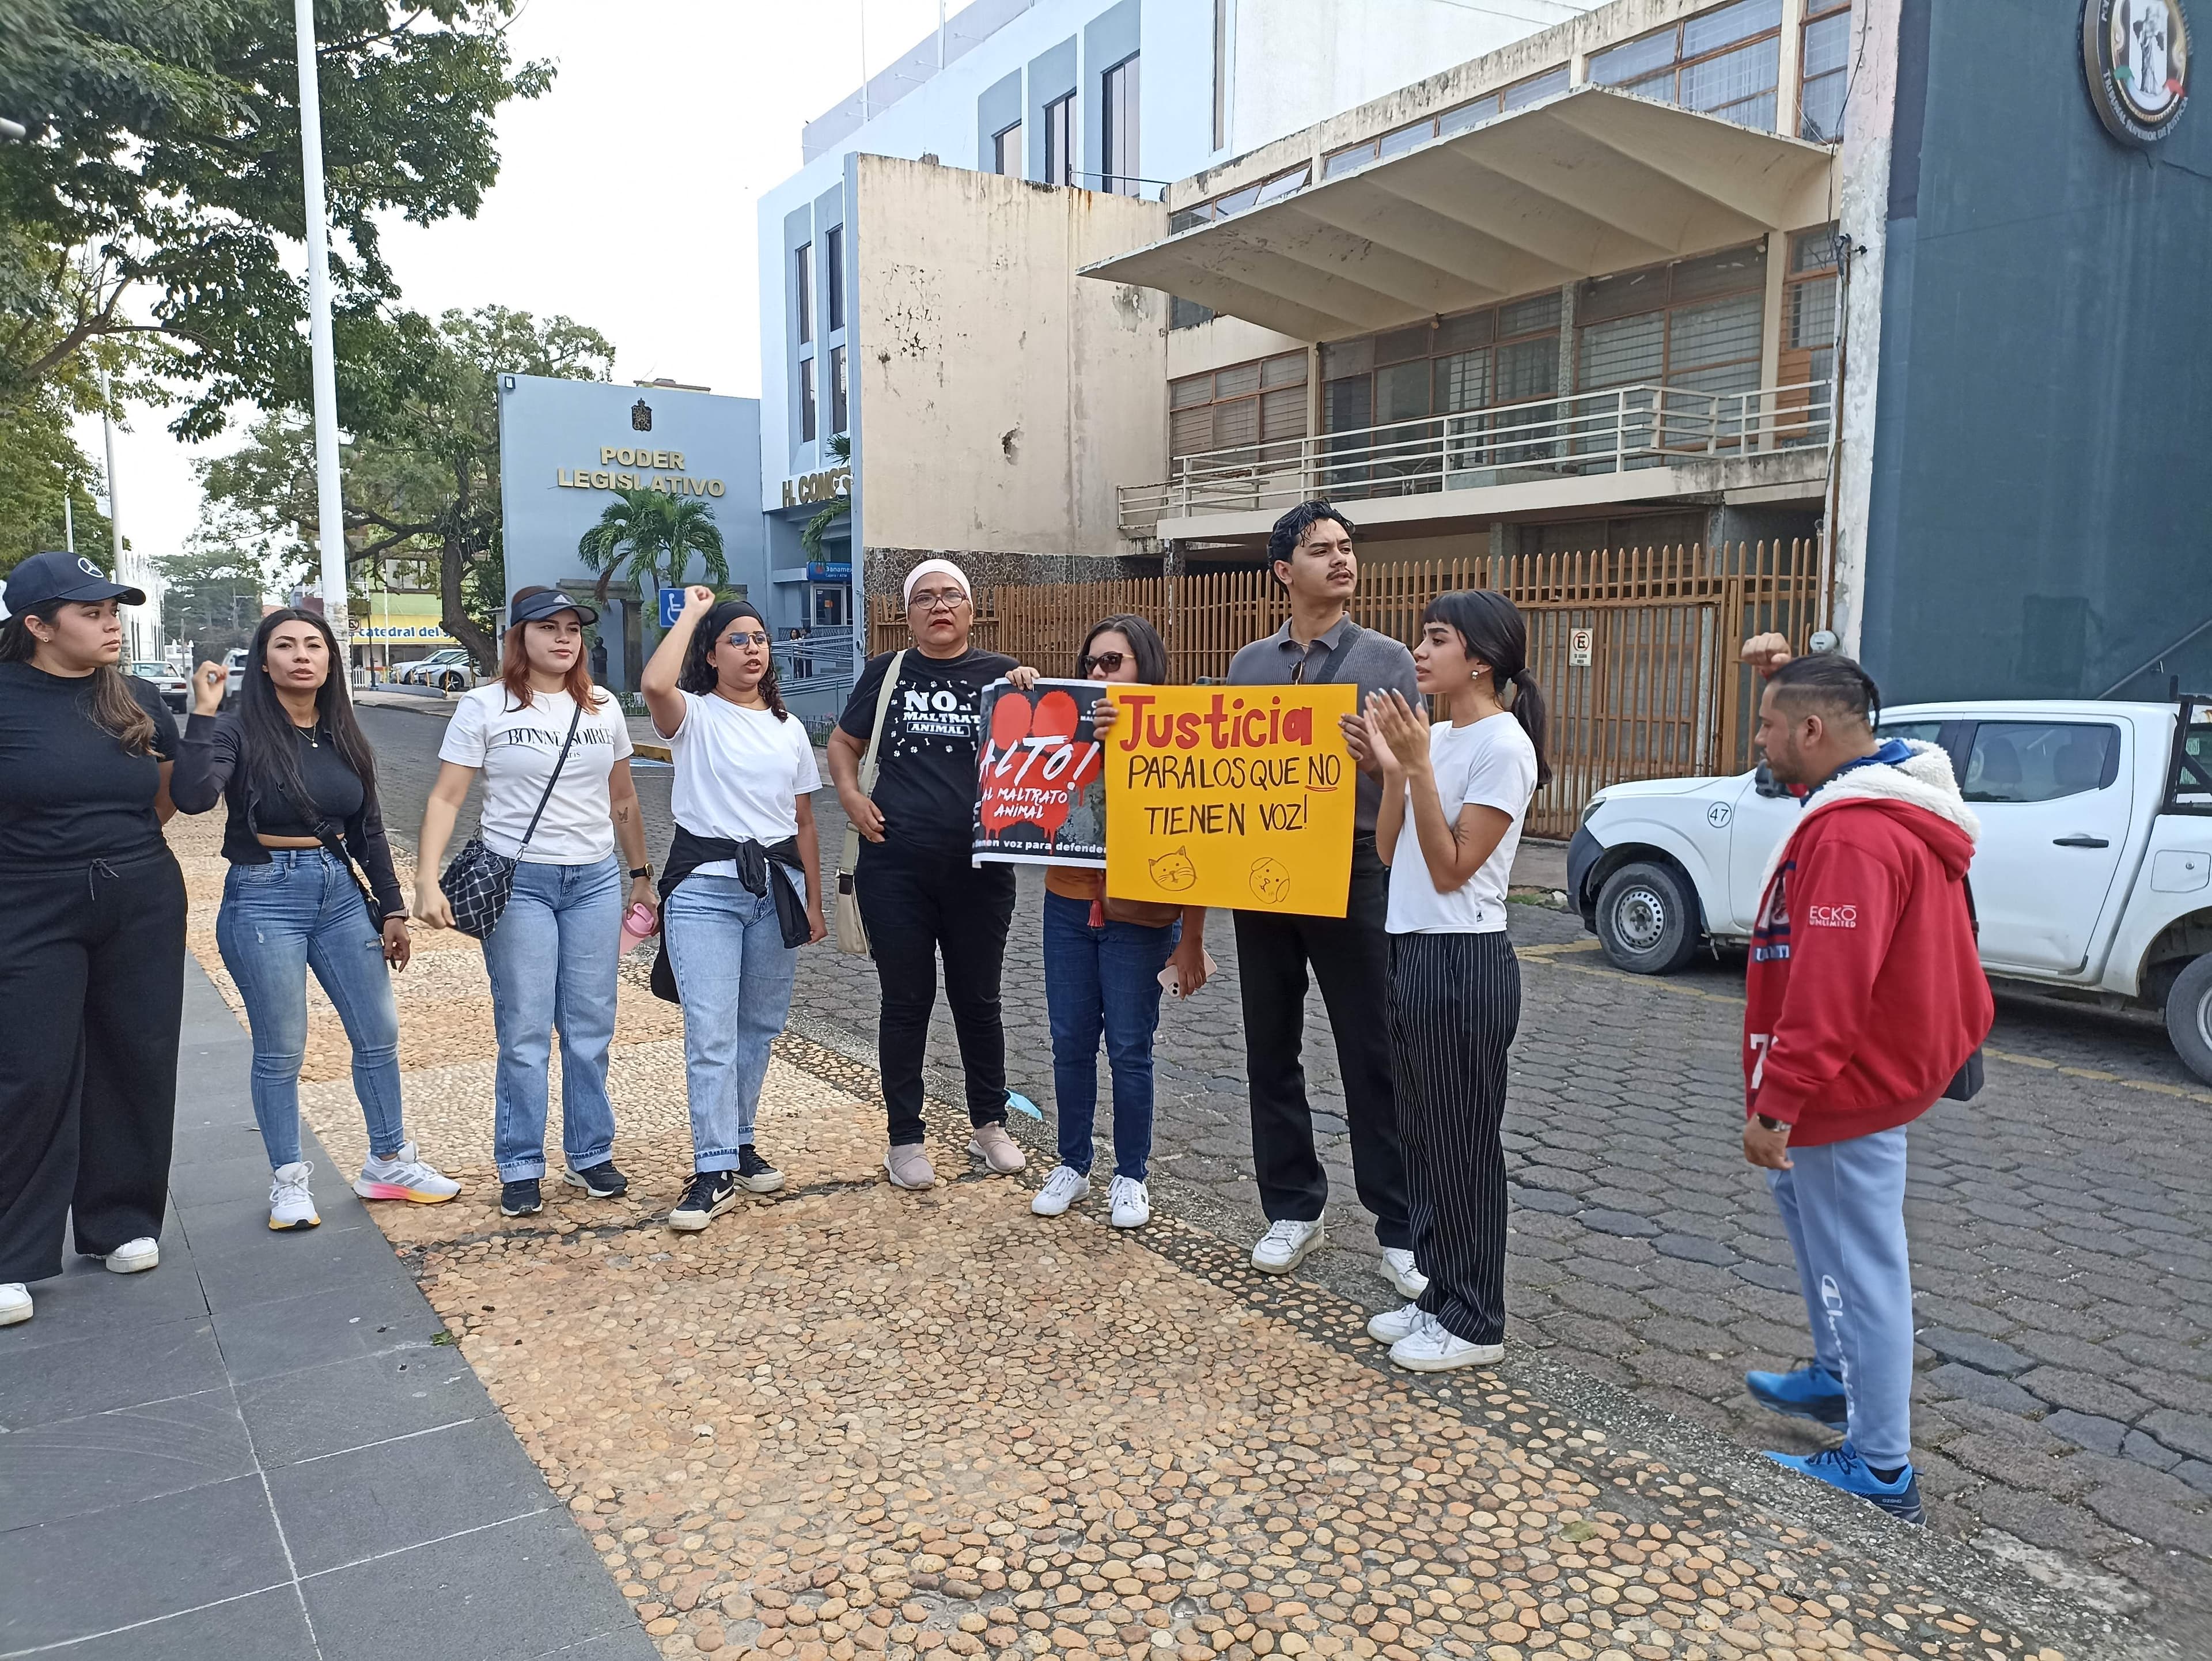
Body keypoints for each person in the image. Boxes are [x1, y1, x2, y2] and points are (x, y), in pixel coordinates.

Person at [1737, 651, 1991, 1524]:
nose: (1759, 739)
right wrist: (1785, 673)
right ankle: (1838, 1373)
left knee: (1863, 1262)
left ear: (1812, 730)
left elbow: (1830, 987)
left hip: (1847, 1085)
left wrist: (1779, 1103)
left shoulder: (1852, 834)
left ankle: (1881, 1465)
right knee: (1810, 1215)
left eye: (1769, 724)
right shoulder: (1883, 790)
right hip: (1864, 1073)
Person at [172, 612, 460, 1228]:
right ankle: (289, 1180)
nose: (302, 655)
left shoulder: (342, 733)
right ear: (265, 660)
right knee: (282, 1047)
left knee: (378, 1033)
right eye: (285, 646)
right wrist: (203, 712)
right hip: (264, 895)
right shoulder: (236, 729)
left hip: (341, 896)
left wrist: (391, 909)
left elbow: (369, 829)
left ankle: (388, 1162)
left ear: (330, 660)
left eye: (313, 645)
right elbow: (193, 798)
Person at [1227, 502, 1424, 1294]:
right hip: (1261, 866)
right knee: (1270, 1043)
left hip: (1355, 866)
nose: (1342, 560)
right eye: (1321, 550)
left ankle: (1401, 1226)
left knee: (1374, 1050)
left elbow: (1414, 772)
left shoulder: (1387, 660)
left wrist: (1378, 761)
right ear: (1284, 570)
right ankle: (1291, 1206)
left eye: (1346, 547)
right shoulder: (1248, 665)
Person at [415, 587, 656, 1219]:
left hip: (594, 880)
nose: (563, 638)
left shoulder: (603, 707)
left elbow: (623, 796)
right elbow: (446, 797)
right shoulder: (485, 705)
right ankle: (521, 1162)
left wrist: (640, 874)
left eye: (572, 628)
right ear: (518, 636)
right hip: (518, 882)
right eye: (548, 627)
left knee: (590, 1026)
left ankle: (589, 1152)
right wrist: (425, 879)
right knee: (525, 1029)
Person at [0, 553, 186, 1328]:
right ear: (38, 625)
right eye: (91, 612)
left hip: (140, 895)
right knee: (31, 1068)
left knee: (137, 1055)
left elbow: (162, 797)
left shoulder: (136, 698)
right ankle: (12, 1254)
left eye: (114, 611)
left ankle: (120, 1221)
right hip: (28, 900)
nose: (111, 624)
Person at [1363, 591, 1547, 1372]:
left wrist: (1415, 768)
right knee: (1424, 1137)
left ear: (1480, 659)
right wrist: (1396, 769)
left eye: (1436, 639)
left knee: (1464, 1144)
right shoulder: (1435, 735)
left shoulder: (1504, 746)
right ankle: (1441, 1293)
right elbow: (1388, 851)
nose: (1419, 650)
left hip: (1463, 961)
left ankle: (1477, 1317)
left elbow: (1452, 867)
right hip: (1411, 950)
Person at [825, 559, 1037, 1190]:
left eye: (951, 596)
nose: (939, 606)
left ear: (971, 611)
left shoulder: (1003, 674)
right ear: (908, 614)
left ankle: (989, 1124)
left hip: (981, 871)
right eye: (925, 598)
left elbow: (1044, 749)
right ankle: (905, 1139)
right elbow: (843, 743)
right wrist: (850, 797)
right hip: (895, 868)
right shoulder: (886, 672)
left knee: (980, 1002)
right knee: (906, 1002)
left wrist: (1033, 689)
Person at [641, 588, 827, 1232]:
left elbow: (804, 821)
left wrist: (815, 902)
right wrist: (694, 613)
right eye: (738, 640)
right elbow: (653, 683)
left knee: (759, 1027)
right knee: (711, 1031)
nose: (753, 649)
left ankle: (740, 1142)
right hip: (705, 891)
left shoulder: (789, 728)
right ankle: (713, 1166)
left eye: (760, 639)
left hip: (777, 891)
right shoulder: (694, 714)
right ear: (711, 655)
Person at [1014, 616, 1210, 1231]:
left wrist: (1192, 939)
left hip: (1142, 914)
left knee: (1129, 1048)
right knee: (1070, 1040)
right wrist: (1023, 691)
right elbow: (1018, 767)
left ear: (1145, 667)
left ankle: (1131, 1175)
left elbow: (1200, 844)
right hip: (1067, 905)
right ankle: (1073, 1162)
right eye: (1091, 663)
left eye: (1112, 662)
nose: (1098, 672)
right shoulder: (1067, 725)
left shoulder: (1177, 736)